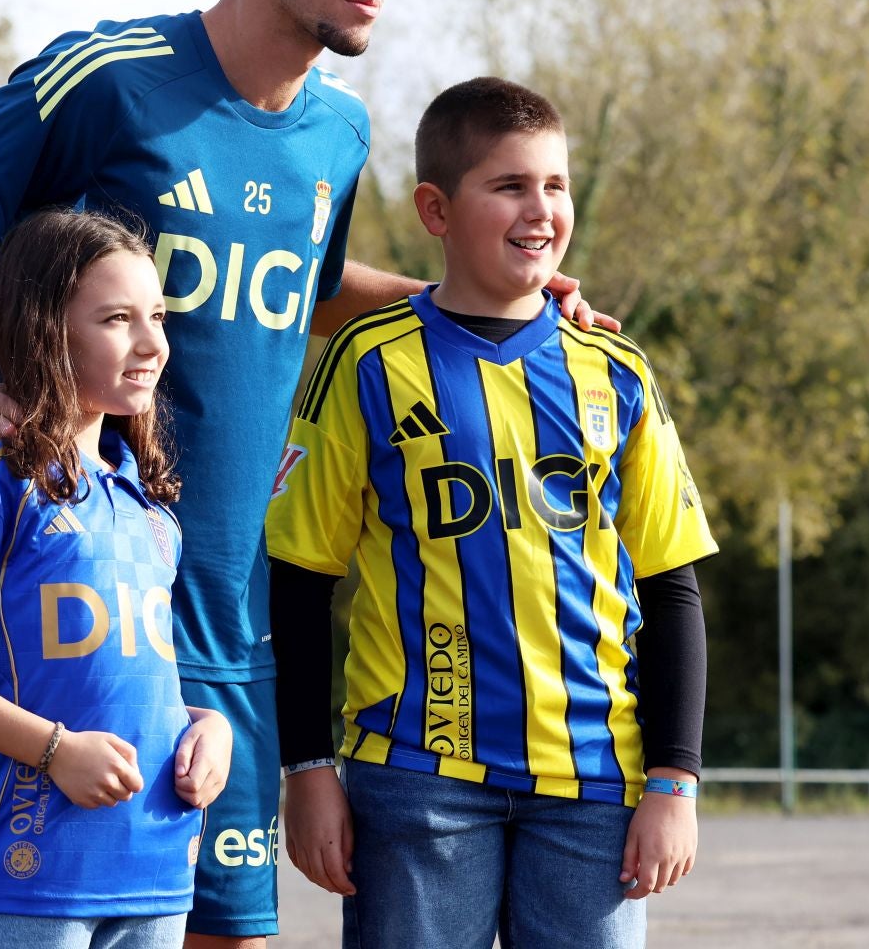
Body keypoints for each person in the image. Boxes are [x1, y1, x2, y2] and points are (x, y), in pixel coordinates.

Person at [0, 0, 596, 947]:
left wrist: (501, 296)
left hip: (231, 618)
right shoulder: (105, 79)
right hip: (82, 620)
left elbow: (302, 283)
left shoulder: (338, 135)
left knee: (235, 936)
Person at [265, 78, 716, 948]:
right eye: (509, 186)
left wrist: (674, 782)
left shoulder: (614, 370)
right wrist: (309, 769)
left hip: (595, 782)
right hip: (416, 779)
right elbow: (298, 581)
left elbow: (671, 590)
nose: (540, 209)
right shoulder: (369, 360)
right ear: (436, 209)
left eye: (555, 185)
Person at [0, 209, 234, 949]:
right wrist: (54, 750)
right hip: (28, 876)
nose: (152, 343)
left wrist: (209, 728)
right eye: (117, 319)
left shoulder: (151, 506)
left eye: (157, 316)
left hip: (156, 868)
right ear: (45, 331)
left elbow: (136, 677)